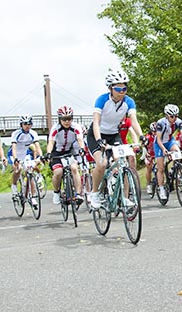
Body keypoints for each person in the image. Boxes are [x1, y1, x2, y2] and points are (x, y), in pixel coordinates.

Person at [86, 69, 147, 208]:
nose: (122, 91)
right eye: (118, 88)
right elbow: (96, 122)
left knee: (123, 163)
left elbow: (134, 121)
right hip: (97, 135)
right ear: (110, 88)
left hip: (114, 134)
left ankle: (124, 198)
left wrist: (141, 136)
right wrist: (99, 139)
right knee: (101, 164)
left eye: (124, 88)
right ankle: (95, 193)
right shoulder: (102, 100)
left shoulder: (128, 101)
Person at [45, 105, 87, 204]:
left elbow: (80, 140)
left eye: (69, 119)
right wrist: (48, 153)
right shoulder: (55, 128)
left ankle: (78, 194)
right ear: (60, 119)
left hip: (69, 151)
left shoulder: (76, 127)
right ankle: (56, 192)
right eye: (64, 119)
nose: (67, 121)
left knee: (74, 168)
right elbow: (50, 142)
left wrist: (82, 149)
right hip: (56, 152)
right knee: (58, 172)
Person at [153, 104, 182, 201]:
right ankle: (161, 189)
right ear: (167, 116)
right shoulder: (161, 123)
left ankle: (175, 169)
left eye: (176, 116)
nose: (174, 118)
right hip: (159, 144)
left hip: (170, 141)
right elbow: (159, 140)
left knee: (178, 152)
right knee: (160, 168)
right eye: (172, 116)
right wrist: (164, 150)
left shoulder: (178, 122)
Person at [8, 115, 44, 206]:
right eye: (25, 124)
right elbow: (14, 148)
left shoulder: (33, 133)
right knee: (18, 169)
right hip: (14, 154)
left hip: (25, 154)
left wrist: (41, 156)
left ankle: (32, 196)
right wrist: (16, 159)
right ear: (21, 124)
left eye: (29, 124)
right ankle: (14, 186)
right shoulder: (16, 133)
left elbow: (37, 146)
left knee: (30, 172)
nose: (27, 126)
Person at [144, 122, 157, 195]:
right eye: (154, 131)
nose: (155, 133)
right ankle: (148, 184)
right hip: (149, 154)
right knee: (149, 168)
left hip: (157, 154)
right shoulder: (148, 137)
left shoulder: (160, 136)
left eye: (156, 131)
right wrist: (146, 153)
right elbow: (143, 146)